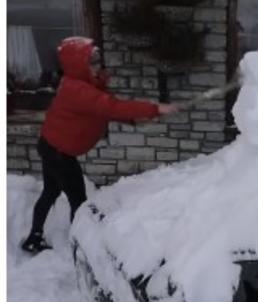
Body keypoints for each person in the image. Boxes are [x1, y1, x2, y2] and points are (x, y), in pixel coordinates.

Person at [22, 36, 179, 254]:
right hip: (58, 152)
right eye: (92, 62)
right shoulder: (78, 90)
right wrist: (154, 109)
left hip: (52, 146)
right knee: (79, 201)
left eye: (98, 60)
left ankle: (34, 237)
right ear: (78, 64)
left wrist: (134, 119)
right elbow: (111, 106)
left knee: (50, 191)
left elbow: (104, 110)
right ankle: (81, 250)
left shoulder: (85, 85)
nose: (98, 66)